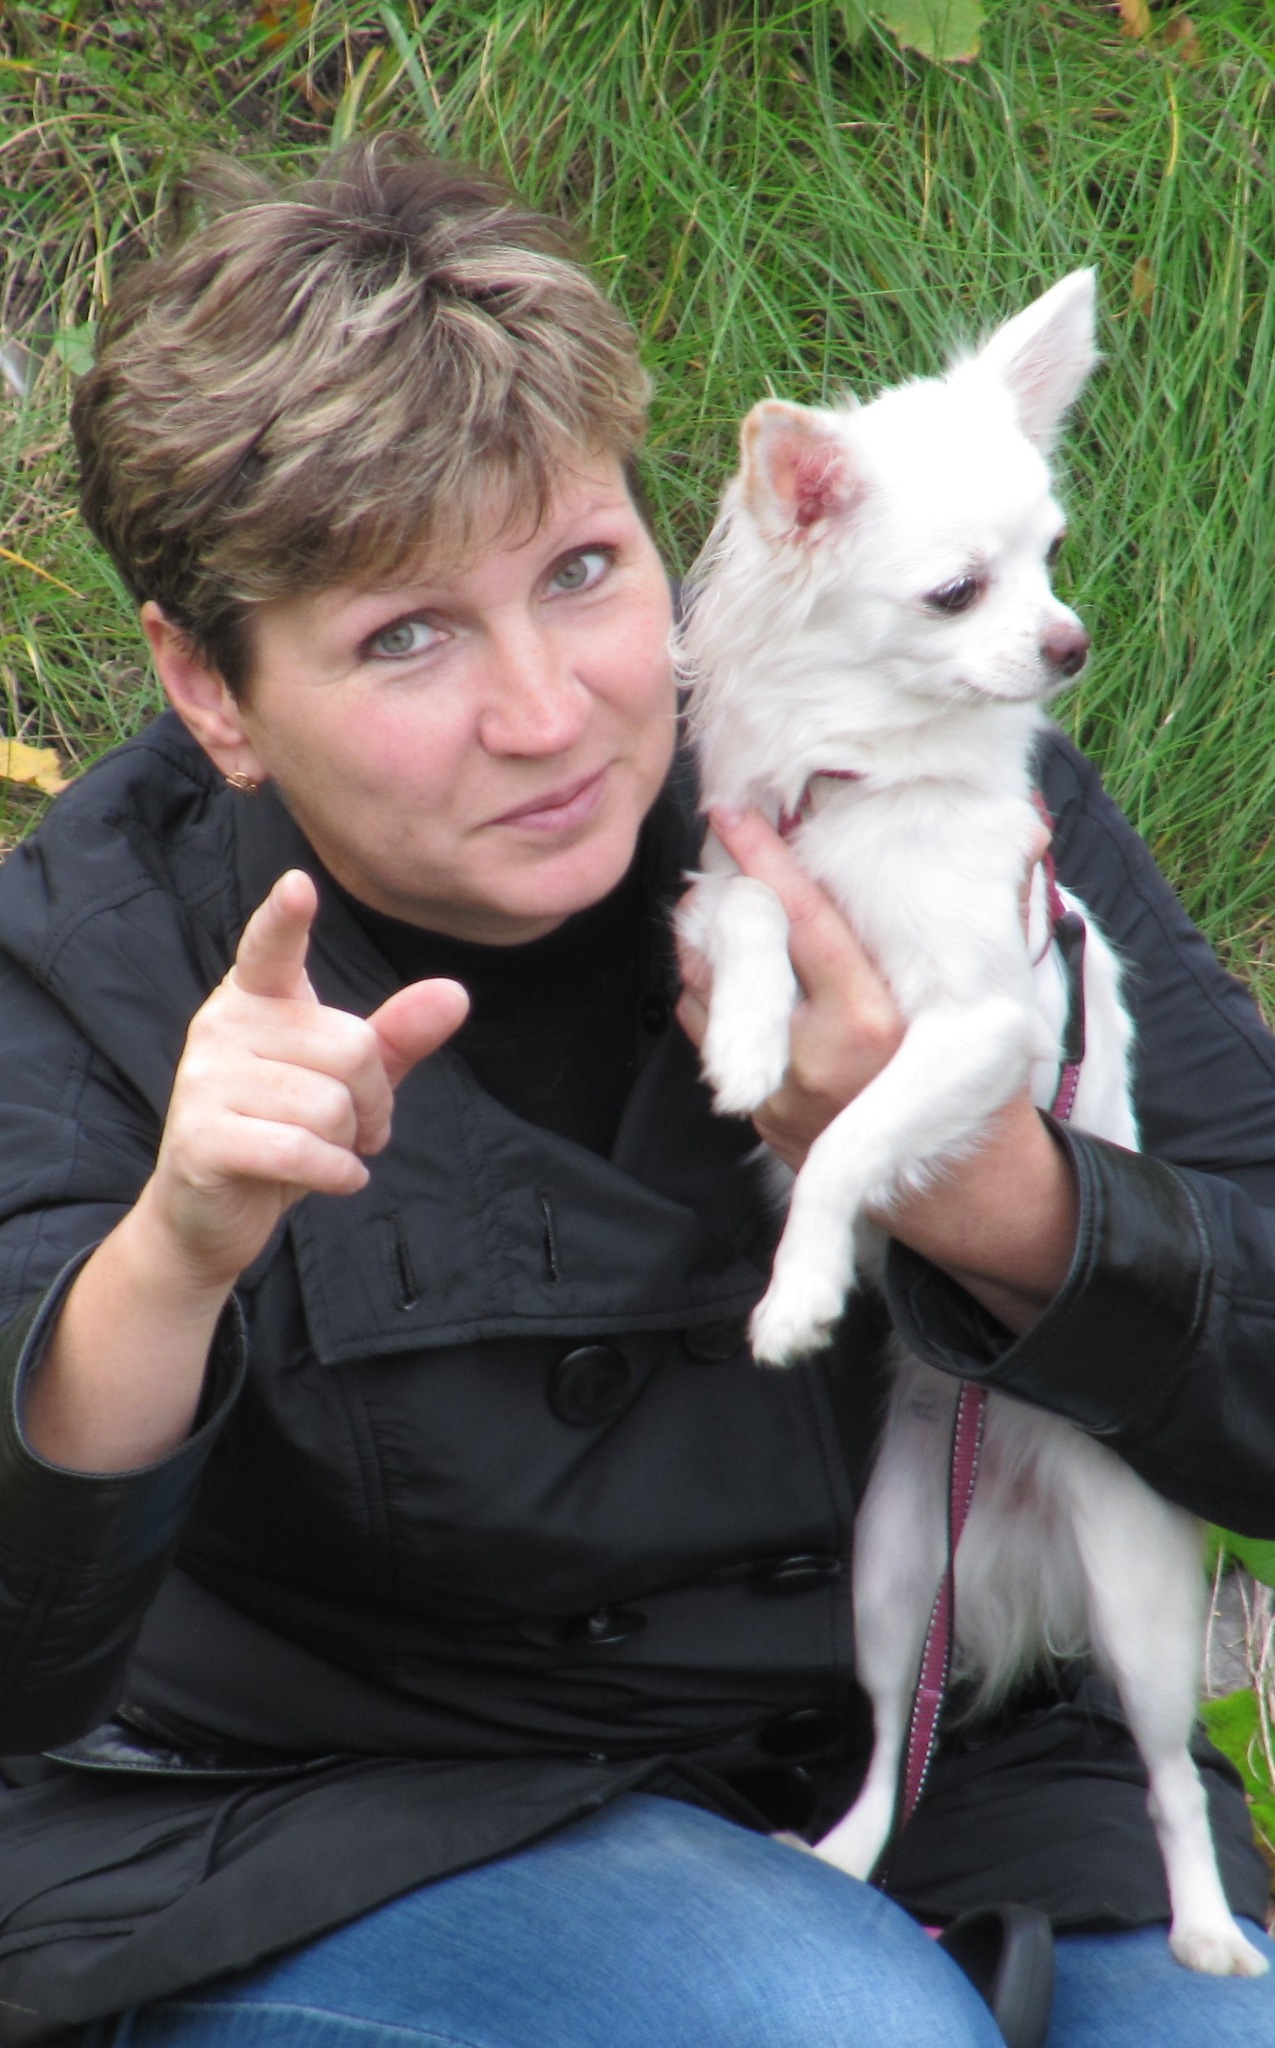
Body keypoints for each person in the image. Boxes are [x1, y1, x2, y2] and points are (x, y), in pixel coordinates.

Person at [0, 135, 1271, 2048]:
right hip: (331, 1813)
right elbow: (24, 1656)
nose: (551, 713)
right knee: (829, 2025)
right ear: (210, 691)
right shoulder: (95, 952)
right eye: (404, 636)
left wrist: (987, 1191)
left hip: (937, 1753)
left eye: (583, 571)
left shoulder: (901, 761)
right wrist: (174, 1256)